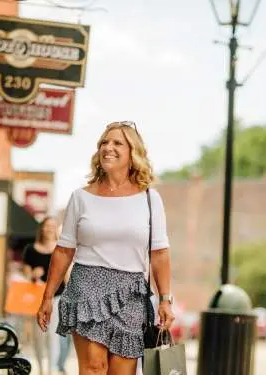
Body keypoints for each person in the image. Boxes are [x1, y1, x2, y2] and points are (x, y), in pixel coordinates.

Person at [36, 121, 175, 375]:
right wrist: (47, 297)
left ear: (133, 154)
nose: (108, 147)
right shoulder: (81, 197)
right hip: (87, 286)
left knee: (122, 372)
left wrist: (166, 300)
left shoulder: (149, 198)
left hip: (131, 292)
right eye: (104, 142)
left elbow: (160, 253)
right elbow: (64, 249)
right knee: (94, 368)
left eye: (117, 143)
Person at [22, 217, 72, 375]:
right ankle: (41, 369)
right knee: (38, 336)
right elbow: (26, 272)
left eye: (53, 226)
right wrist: (33, 274)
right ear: (41, 229)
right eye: (47, 226)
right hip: (36, 296)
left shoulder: (61, 248)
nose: (49, 229)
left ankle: (51, 369)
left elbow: (66, 274)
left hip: (57, 297)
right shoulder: (30, 249)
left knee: (52, 335)